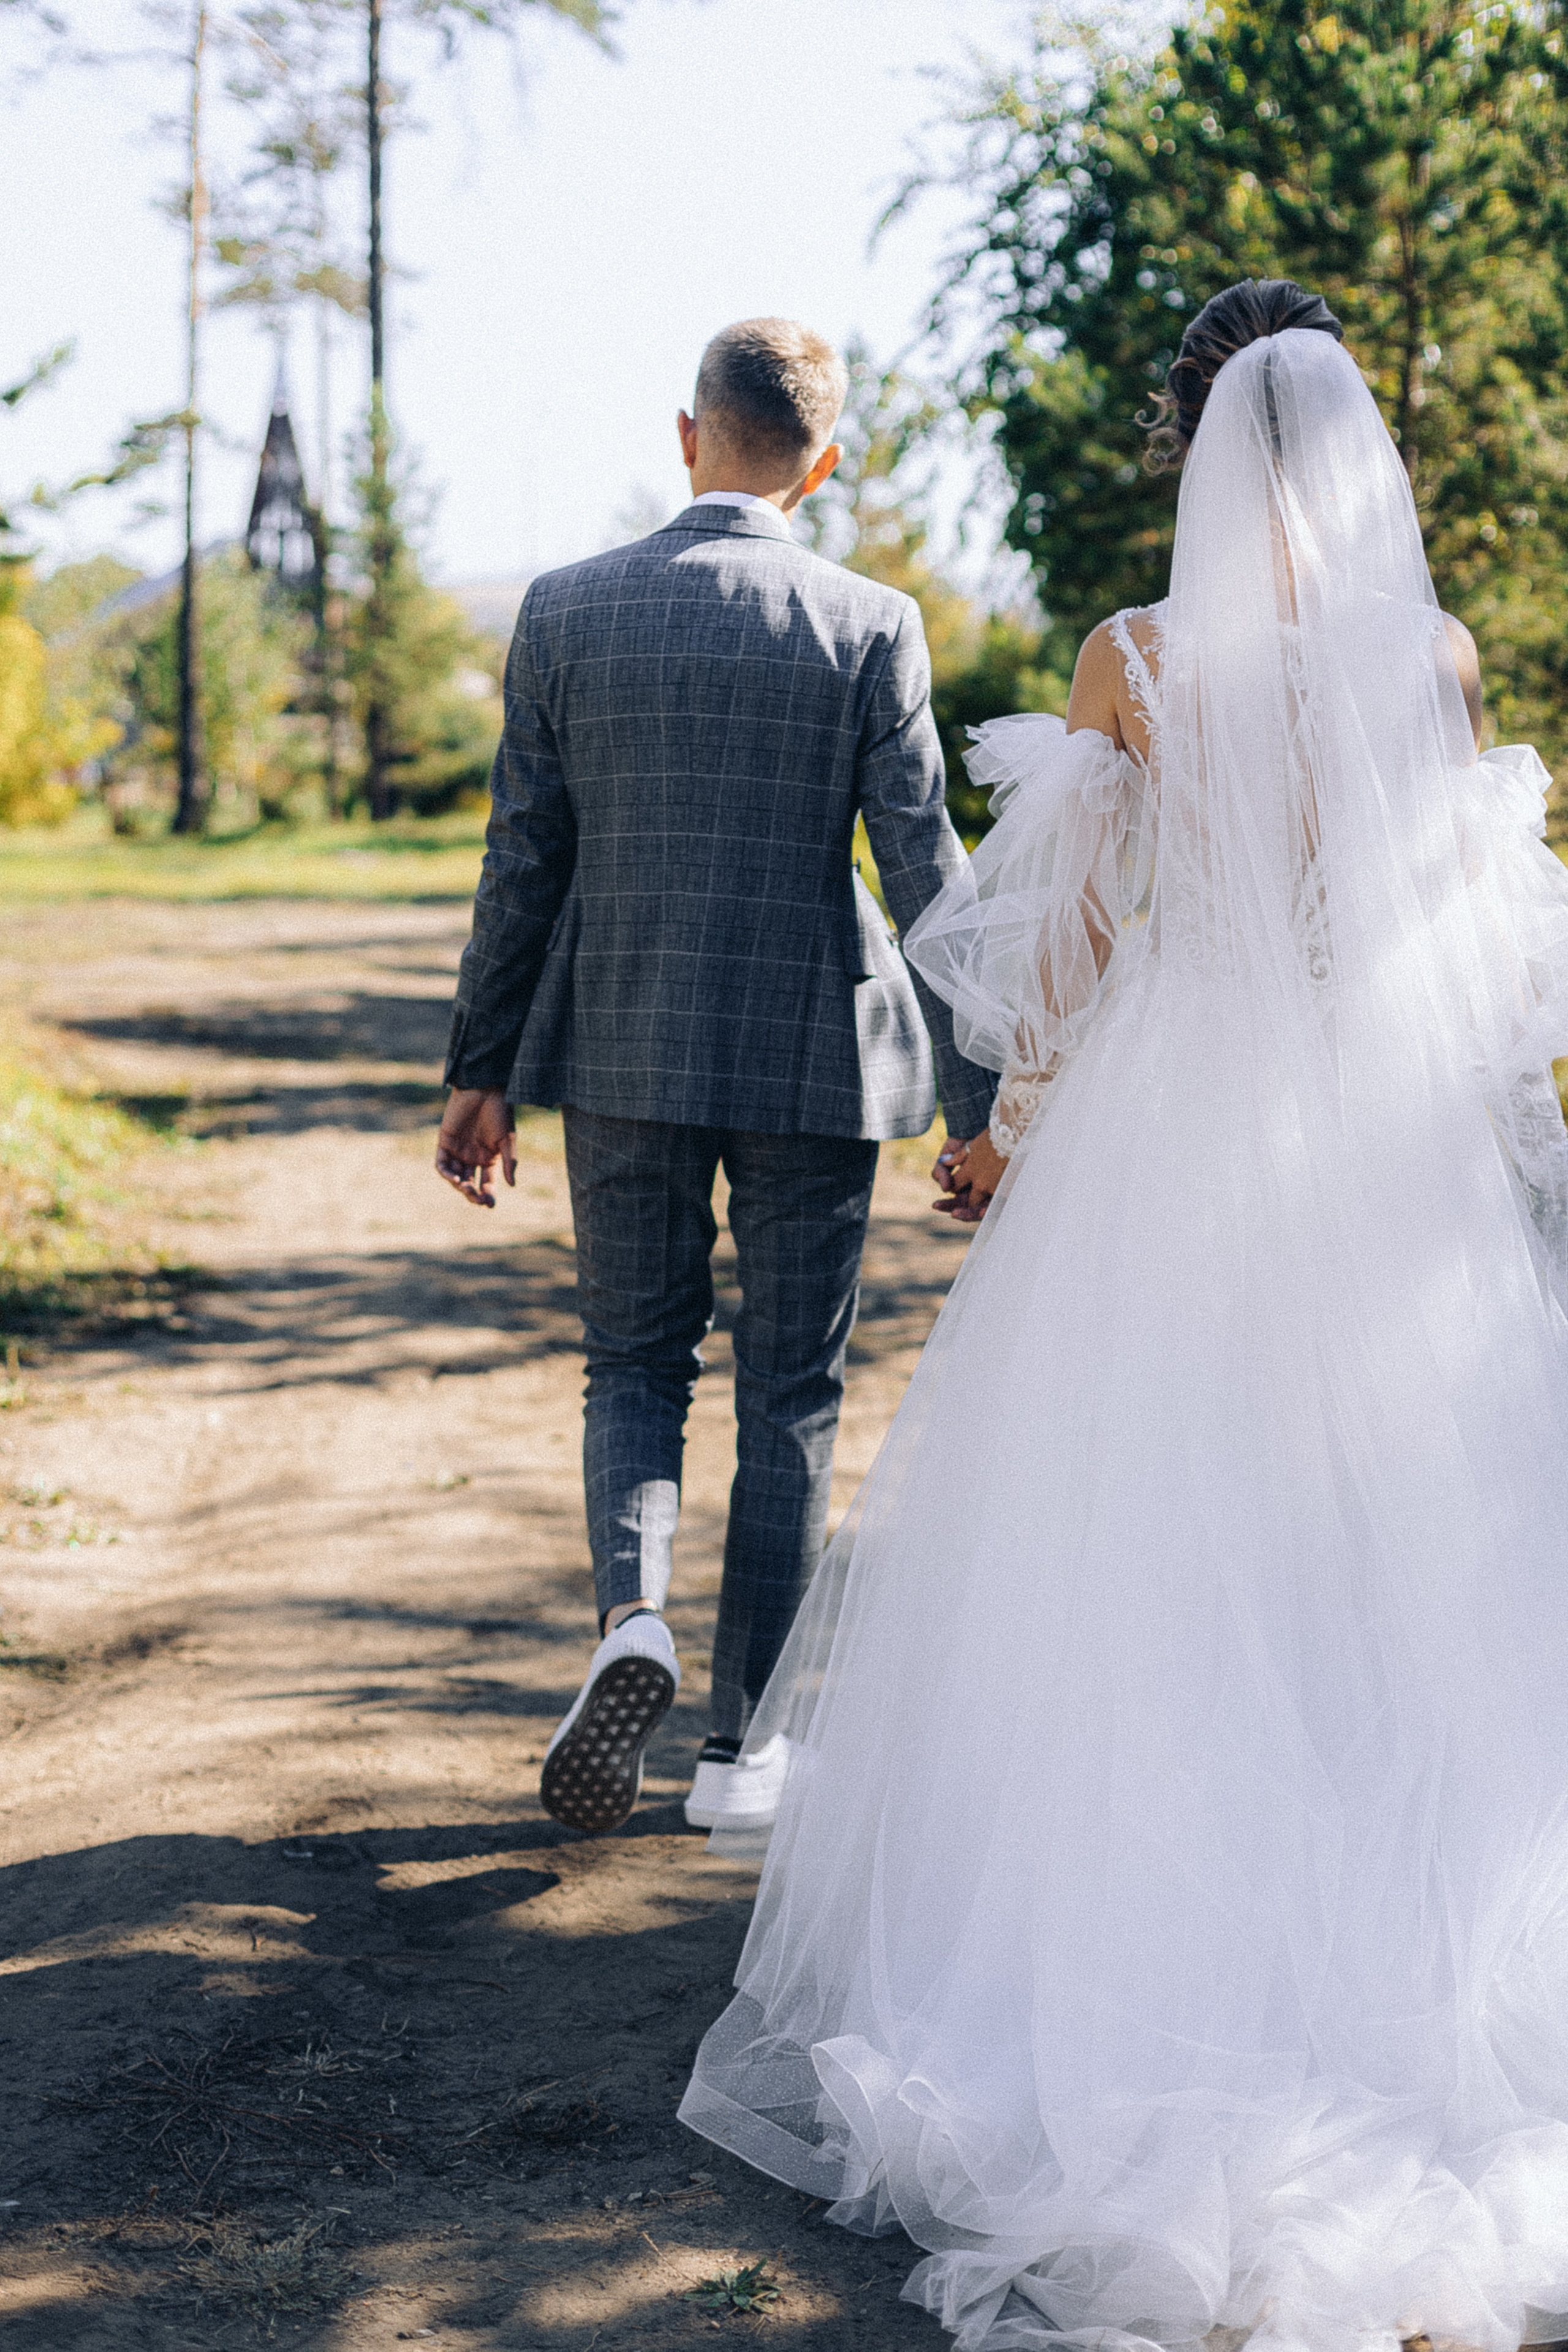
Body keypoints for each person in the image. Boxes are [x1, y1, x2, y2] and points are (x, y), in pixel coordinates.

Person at [679, 284, 1568, 2352]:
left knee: (1144, 1548)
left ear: (1193, 439)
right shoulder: (1427, 658)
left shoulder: (1135, 661)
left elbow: (1066, 941)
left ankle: (1143, 1951)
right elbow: (1462, 937)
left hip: (1180, 1123)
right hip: (1373, 1140)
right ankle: (1402, 1958)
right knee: (1389, 1547)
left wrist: (1014, 1131)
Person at [435, 317, 995, 1840]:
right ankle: (744, 1750)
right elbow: (924, 864)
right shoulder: (869, 622)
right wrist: (978, 1097)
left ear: (686, 437)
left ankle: (632, 1618)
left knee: (631, 1362)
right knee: (790, 1390)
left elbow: (522, 861)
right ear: (820, 465)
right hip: (820, 1054)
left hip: (615, 1043)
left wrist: (479, 1069)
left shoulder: (563, 612)